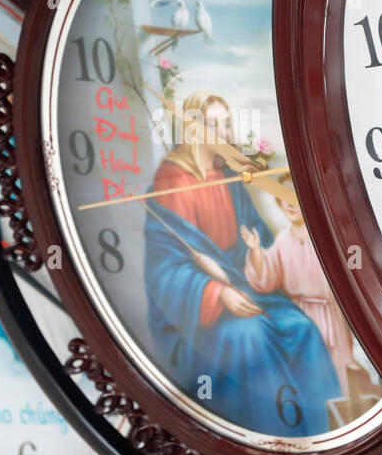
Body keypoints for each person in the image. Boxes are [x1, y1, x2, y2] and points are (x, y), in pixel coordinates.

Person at [142, 92, 339, 436]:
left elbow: (256, 236)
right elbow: (165, 269)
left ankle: (322, 432)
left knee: (301, 326)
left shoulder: (227, 179)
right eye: (214, 125)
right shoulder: (169, 183)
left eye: (227, 124)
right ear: (192, 130)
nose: (226, 133)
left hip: (244, 286)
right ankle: (278, 437)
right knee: (251, 336)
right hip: (198, 311)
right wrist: (219, 294)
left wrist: (257, 255)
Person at [241, 187, 356, 397]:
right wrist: (256, 250)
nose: (290, 204)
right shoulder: (283, 240)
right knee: (310, 373)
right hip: (302, 316)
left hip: (333, 314)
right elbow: (266, 279)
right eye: (283, 199)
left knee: (342, 369)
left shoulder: (326, 233)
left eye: (293, 197)